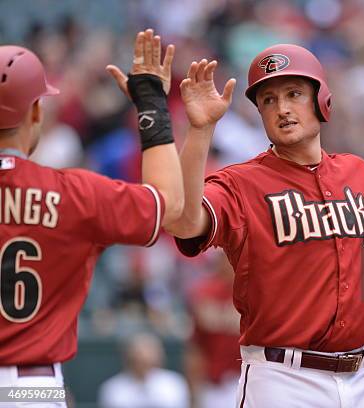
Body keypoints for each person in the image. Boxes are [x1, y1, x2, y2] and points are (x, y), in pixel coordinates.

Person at [167, 43, 364, 407]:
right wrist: (200, 131)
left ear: (321, 100)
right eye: (269, 100)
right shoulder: (240, 184)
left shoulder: (358, 172)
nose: (283, 108)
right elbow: (183, 222)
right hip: (283, 379)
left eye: (294, 94)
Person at [0, 29, 183, 405]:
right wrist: (151, 103)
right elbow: (171, 205)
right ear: (36, 111)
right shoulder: (75, 193)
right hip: (27, 388)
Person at [183, 250, 242, 408]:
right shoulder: (204, 291)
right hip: (214, 385)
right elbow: (195, 347)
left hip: (248, 379)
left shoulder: (253, 290)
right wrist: (193, 391)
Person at [98, 333, 189, 408]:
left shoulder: (173, 382)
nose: (142, 360)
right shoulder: (113, 387)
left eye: (148, 358)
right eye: (137, 357)